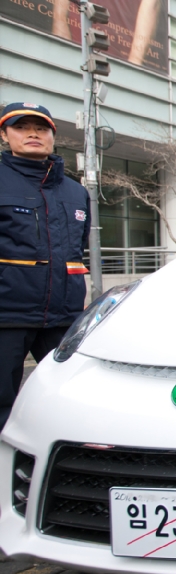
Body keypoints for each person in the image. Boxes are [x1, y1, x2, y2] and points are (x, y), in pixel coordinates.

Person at [0, 102, 90, 429]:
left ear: (53, 135)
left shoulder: (76, 192)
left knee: (72, 400)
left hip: (62, 317)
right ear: (5, 134)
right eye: (22, 127)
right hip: (7, 314)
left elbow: (76, 251)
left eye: (41, 128)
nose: (33, 134)